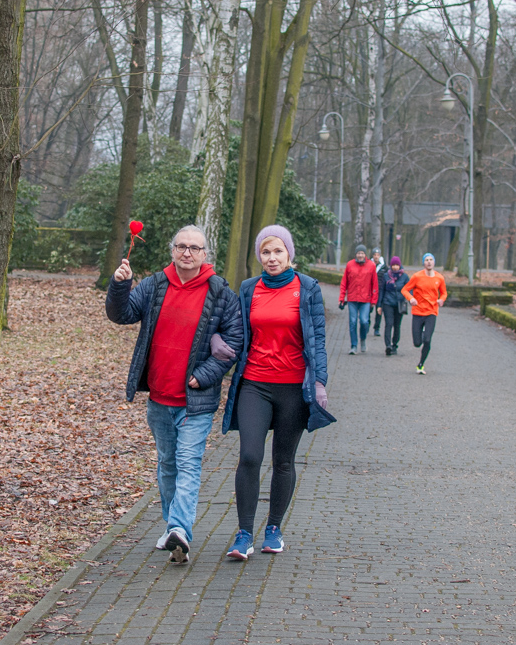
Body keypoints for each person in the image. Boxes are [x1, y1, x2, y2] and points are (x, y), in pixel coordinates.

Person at [106, 225, 243, 564]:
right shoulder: (154, 285)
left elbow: (233, 342)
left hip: (195, 401)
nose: (187, 253)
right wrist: (120, 284)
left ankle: (180, 529)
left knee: (188, 463)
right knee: (167, 464)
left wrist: (204, 375)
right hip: (159, 398)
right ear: (172, 251)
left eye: (194, 248)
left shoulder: (220, 292)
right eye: (181, 246)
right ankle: (172, 527)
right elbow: (120, 314)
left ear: (205, 254)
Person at [215, 225, 333, 561]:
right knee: (250, 456)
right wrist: (218, 344)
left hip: (294, 387)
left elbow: (318, 339)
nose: (271, 258)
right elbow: (237, 330)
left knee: (283, 460)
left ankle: (274, 528)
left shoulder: (307, 288)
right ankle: (243, 534)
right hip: (255, 383)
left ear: (289, 254)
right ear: (259, 256)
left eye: (278, 251)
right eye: (265, 252)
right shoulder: (249, 288)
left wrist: (320, 381)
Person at [401, 252, 448, 374]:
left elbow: (444, 293)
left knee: (427, 340)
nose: (429, 262)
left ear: (434, 262)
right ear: (423, 263)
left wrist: (441, 300)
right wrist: (411, 298)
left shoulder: (439, 278)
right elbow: (404, 289)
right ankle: (421, 334)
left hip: (431, 312)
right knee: (417, 343)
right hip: (418, 311)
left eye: (431, 260)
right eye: (426, 260)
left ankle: (421, 364)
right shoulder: (417, 276)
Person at [338, 244, 379, 354]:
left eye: (362, 253)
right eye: (358, 253)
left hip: (366, 299)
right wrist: (342, 298)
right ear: (355, 254)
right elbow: (344, 283)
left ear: (365, 255)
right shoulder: (350, 265)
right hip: (352, 298)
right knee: (353, 322)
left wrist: (374, 301)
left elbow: (374, 284)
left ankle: (363, 338)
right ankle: (354, 345)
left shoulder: (371, 266)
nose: (360, 255)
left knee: (364, 321)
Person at [378, 256, 409, 356]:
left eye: (397, 265)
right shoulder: (386, 276)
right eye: (393, 265)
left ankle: (395, 344)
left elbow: (409, 289)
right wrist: (379, 305)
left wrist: (410, 299)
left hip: (399, 304)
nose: (395, 267)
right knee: (388, 324)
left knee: (397, 325)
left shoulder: (404, 277)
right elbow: (382, 290)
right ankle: (388, 345)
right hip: (388, 303)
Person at [371, 248, 386, 335]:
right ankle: (367, 323)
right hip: (370, 291)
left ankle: (377, 328)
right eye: (375, 255)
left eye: (378, 255)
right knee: (369, 309)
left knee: (379, 310)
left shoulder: (384, 266)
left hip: (380, 291)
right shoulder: (369, 264)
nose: (376, 256)